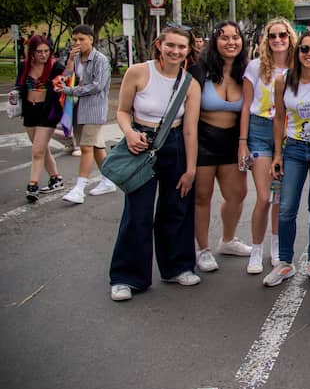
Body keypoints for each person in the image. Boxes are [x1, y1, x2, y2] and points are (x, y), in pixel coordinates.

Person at [108, 26, 202, 301]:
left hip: (175, 144)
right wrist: (129, 133)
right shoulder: (138, 72)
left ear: (188, 50)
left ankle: (177, 266)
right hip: (141, 142)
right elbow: (123, 111)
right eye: (170, 45)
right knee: (138, 211)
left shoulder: (190, 84)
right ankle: (126, 276)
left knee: (177, 207)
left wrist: (191, 169)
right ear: (159, 45)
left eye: (181, 47)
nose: (175, 51)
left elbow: (190, 129)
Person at [264, 30, 310, 287]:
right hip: (292, 149)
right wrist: (277, 153)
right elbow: (279, 117)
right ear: (297, 51)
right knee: (286, 208)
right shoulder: (284, 80)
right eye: (305, 49)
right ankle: (285, 262)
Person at [190, 21, 252, 273]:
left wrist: (244, 144)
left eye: (235, 37)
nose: (230, 42)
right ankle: (202, 249)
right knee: (202, 197)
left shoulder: (246, 72)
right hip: (203, 140)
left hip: (232, 142)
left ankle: (228, 239)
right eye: (224, 37)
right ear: (214, 42)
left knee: (237, 194)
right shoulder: (199, 71)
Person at [239, 18, 295, 274]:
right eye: (272, 36)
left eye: (282, 35)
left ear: (290, 37)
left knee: (279, 199)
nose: (278, 40)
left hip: (287, 133)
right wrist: (242, 142)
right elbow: (245, 106)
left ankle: (276, 247)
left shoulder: (298, 67)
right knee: (263, 197)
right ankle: (256, 249)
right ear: (266, 40)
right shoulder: (254, 67)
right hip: (260, 131)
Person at [55, 25, 114, 204]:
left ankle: (79, 188)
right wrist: (70, 63)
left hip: (94, 109)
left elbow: (97, 85)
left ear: (91, 39)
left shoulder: (100, 59)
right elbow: (67, 76)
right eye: (75, 39)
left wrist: (70, 90)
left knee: (86, 147)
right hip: (77, 108)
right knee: (96, 147)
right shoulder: (77, 58)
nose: (78, 43)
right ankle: (108, 180)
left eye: (81, 39)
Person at [12, 35, 66, 201]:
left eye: (46, 51)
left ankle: (32, 185)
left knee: (37, 150)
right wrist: (14, 93)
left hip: (48, 112)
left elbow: (64, 82)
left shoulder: (55, 66)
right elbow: (19, 85)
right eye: (39, 52)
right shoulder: (24, 66)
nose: (43, 55)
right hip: (30, 111)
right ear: (32, 53)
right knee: (41, 147)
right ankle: (55, 178)